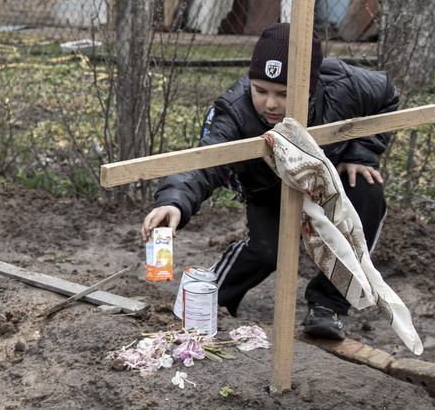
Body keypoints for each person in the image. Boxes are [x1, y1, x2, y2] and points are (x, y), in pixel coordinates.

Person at [141, 22, 398, 340]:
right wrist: (173, 201)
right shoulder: (235, 111)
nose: (270, 104)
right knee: (267, 250)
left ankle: (327, 305)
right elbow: (203, 161)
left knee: (368, 195)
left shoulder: (346, 85)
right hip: (267, 185)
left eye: (284, 94)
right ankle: (215, 301)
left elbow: (387, 97)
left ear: (310, 87)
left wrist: (362, 152)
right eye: (260, 90)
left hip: (326, 176)